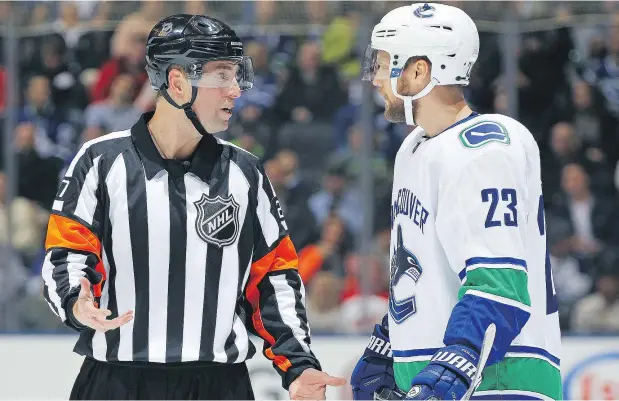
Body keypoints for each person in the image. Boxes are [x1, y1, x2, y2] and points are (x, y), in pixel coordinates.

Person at [41, 14, 345, 400]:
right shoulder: (100, 161)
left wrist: (298, 366)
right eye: (222, 75)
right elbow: (66, 254)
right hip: (116, 383)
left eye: (236, 75)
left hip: (218, 386)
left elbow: (274, 278)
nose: (235, 90)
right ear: (178, 82)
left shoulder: (245, 173)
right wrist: (76, 300)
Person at [350, 3, 562, 400]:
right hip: (455, 376)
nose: (375, 78)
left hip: (500, 381)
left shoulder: (486, 147)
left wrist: (453, 369)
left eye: (383, 64)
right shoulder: (415, 148)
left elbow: (501, 288)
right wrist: (389, 343)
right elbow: (423, 271)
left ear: (418, 71)